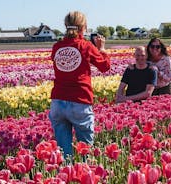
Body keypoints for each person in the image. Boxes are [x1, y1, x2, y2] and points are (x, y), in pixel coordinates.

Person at [49, 11, 110, 159]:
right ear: (84, 27)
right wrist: (101, 49)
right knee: (85, 151)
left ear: (65, 25)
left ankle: (66, 176)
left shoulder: (57, 47)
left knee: (64, 154)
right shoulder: (85, 46)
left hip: (58, 100)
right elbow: (104, 66)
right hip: (79, 100)